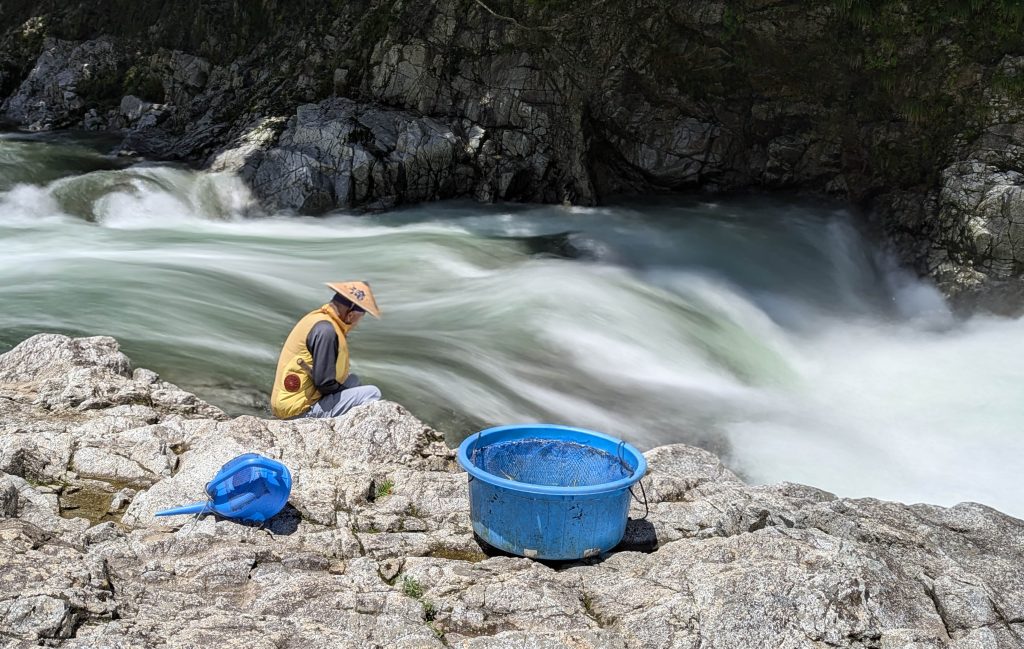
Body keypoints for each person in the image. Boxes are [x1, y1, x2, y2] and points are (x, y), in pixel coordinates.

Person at [271, 281, 382, 419]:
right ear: (351, 315)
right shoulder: (326, 331)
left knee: (353, 381)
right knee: (372, 393)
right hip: (299, 411)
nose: (357, 323)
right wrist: (343, 391)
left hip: (290, 402)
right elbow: (323, 383)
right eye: (360, 318)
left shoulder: (319, 319)